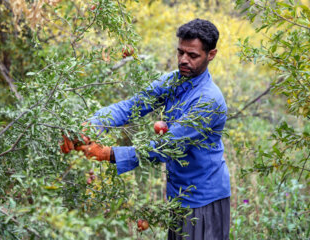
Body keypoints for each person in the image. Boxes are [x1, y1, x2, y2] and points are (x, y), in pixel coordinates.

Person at [69, 18, 231, 240]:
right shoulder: (172, 82)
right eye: (180, 52)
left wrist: (108, 153)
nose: (183, 60)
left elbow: (167, 146)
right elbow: (130, 107)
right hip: (178, 195)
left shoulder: (209, 101)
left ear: (211, 55)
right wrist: (90, 126)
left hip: (204, 198)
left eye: (192, 55)